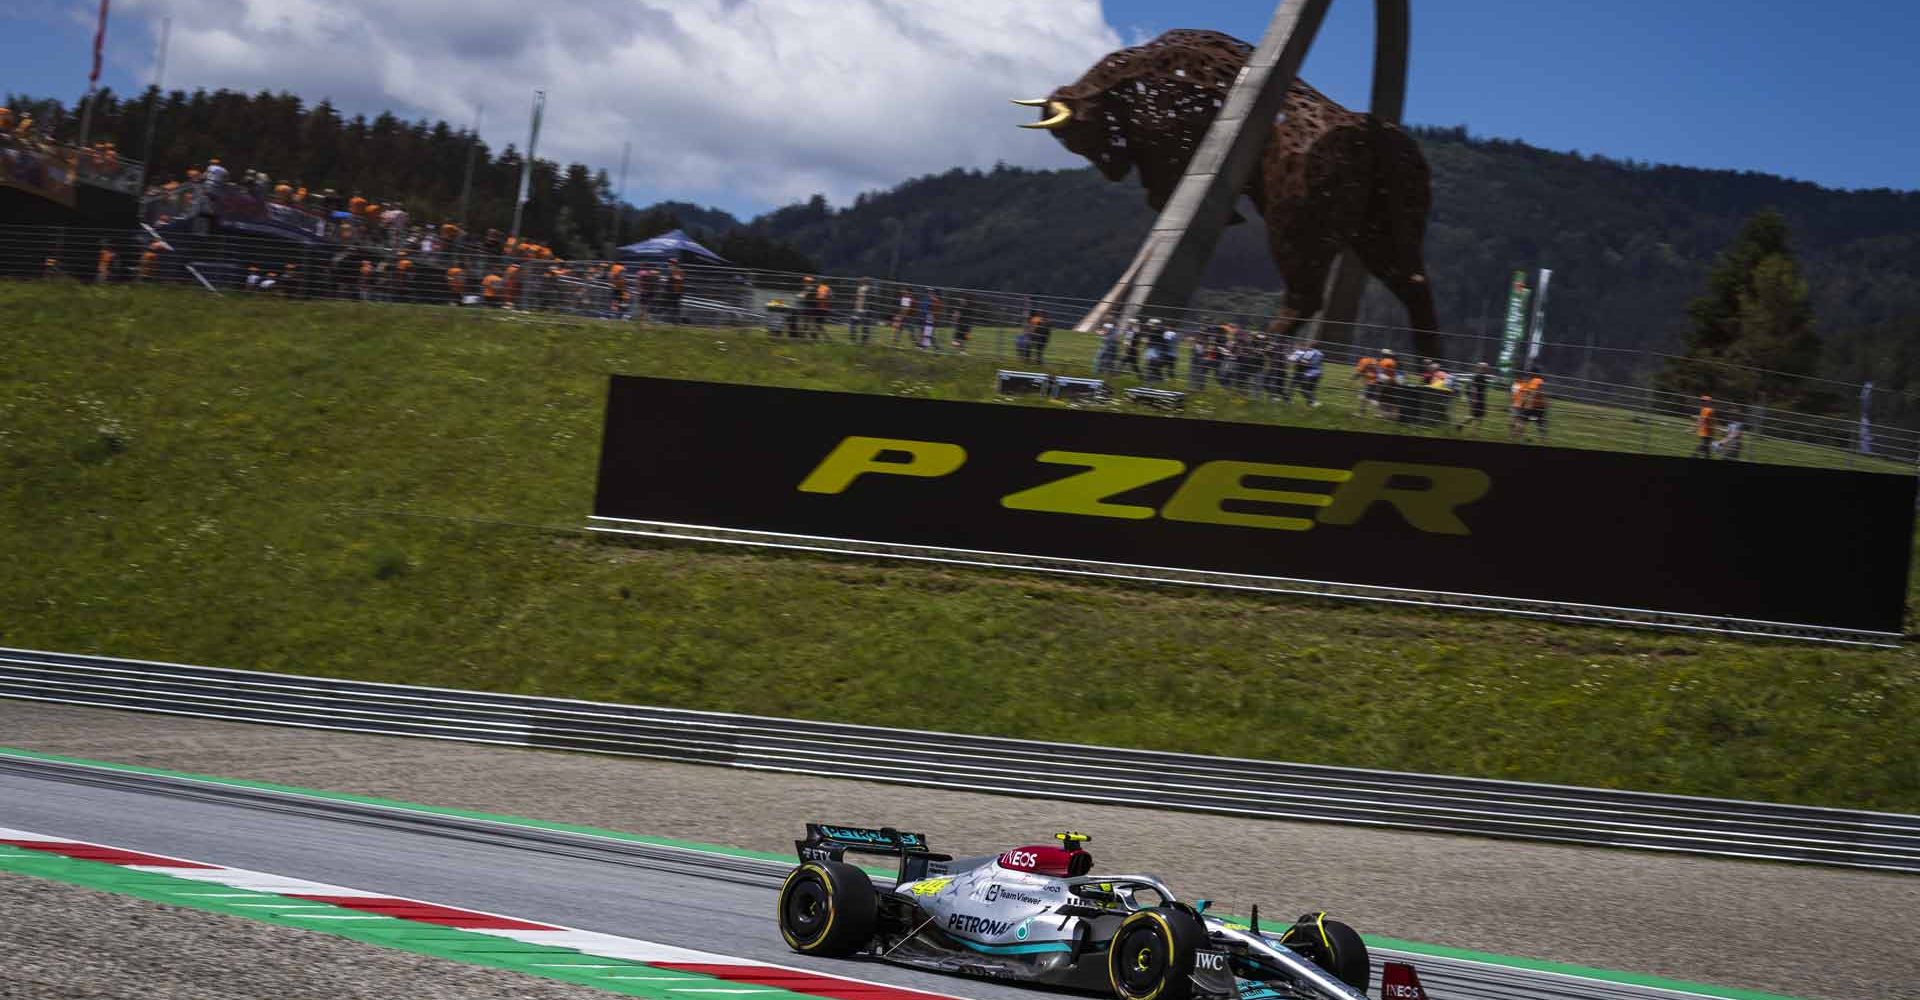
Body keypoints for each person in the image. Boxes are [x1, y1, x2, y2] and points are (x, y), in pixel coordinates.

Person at [1455, 362, 1492, 431]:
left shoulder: (1482, 376)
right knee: (1474, 415)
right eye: (1487, 367)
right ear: (1482, 368)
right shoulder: (1478, 376)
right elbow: (1474, 388)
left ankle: (1470, 430)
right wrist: (1474, 399)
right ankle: (1461, 425)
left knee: (1480, 415)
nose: (1488, 369)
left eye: (1487, 367)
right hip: (1477, 399)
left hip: (1481, 398)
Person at [1289, 341, 1324, 406]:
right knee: (1311, 389)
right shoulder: (1320, 353)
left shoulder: (1309, 352)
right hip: (1318, 373)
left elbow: (1304, 362)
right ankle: (1311, 403)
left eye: (1308, 346)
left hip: (1309, 374)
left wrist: (1297, 360)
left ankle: (1313, 402)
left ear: (1311, 346)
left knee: (1303, 389)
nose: (1307, 347)